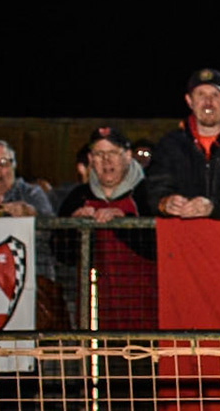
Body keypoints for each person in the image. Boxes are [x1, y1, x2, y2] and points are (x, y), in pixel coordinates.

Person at [58, 125, 157, 330]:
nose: (106, 161)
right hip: (96, 314)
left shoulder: (148, 195)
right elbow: (62, 255)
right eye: (99, 154)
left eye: (113, 153)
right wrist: (74, 228)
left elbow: (159, 249)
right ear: (90, 159)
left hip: (147, 313)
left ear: (128, 156)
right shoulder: (78, 197)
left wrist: (124, 223)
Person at [145, 68, 220, 219]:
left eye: (215, 95)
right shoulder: (170, 145)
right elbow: (154, 190)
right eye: (201, 95)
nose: (208, 103)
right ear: (189, 101)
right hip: (185, 237)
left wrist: (214, 207)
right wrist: (166, 203)